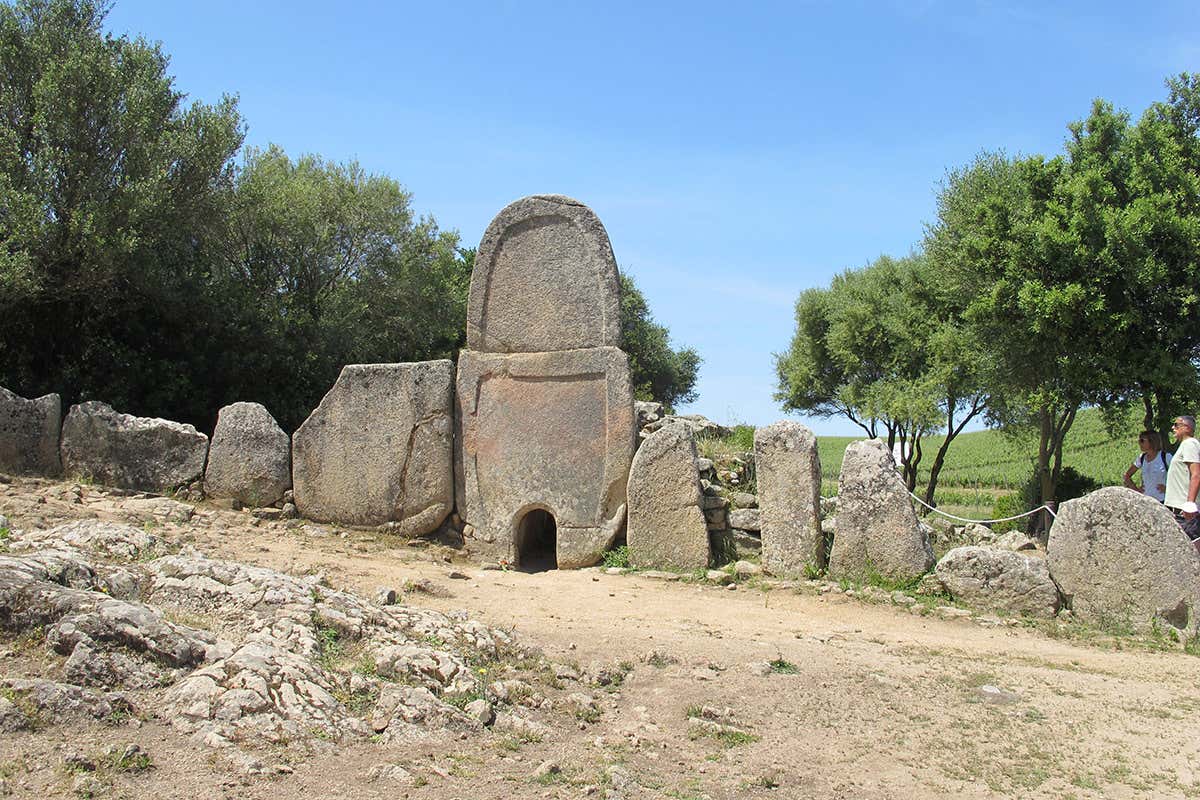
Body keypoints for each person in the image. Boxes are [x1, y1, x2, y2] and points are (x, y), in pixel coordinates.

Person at [1164, 415, 1200, 542]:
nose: (1173, 428)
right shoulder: (1185, 445)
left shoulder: (1190, 444)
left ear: (1187, 428)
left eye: (1176, 425)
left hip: (1185, 512)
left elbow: (1196, 473)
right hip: (1179, 510)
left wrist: (1190, 503)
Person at [1123, 430, 1171, 502]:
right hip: (1146, 501)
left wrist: (1168, 489)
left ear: (1152, 441)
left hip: (1163, 501)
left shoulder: (1165, 457)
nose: (1139, 443)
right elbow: (1127, 475)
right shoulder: (1141, 458)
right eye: (1139, 441)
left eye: (1142, 440)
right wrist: (1136, 491)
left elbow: (1179, 475)